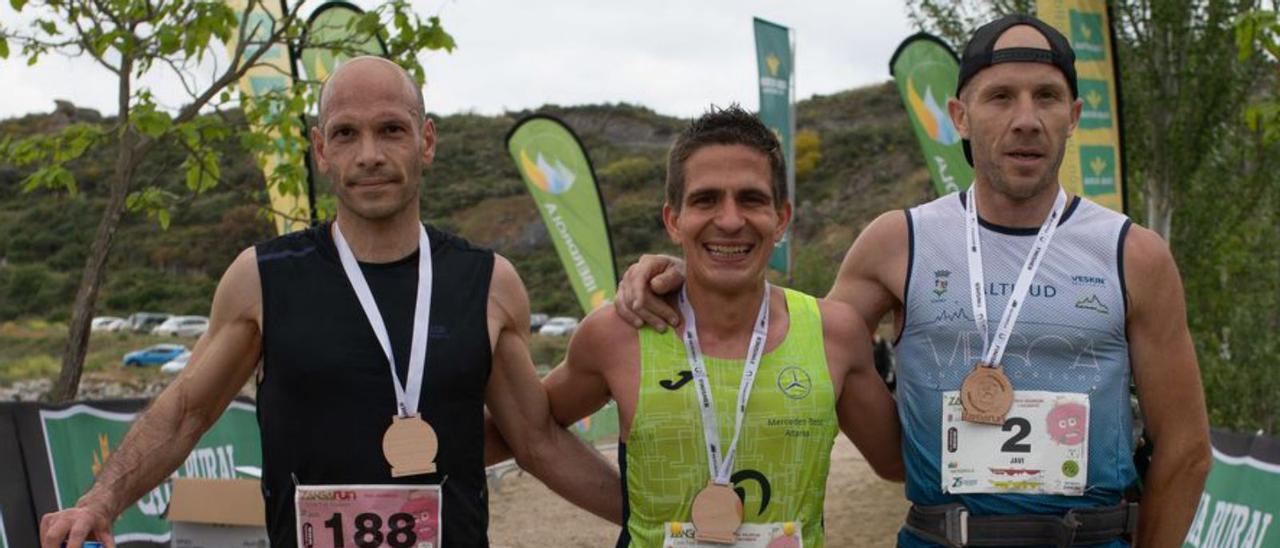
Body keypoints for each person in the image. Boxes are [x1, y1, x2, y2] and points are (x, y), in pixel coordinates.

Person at [615, 15, 1211, 547]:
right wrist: (683, 273)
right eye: (1000, 97)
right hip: (941, 535)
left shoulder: (1133, 254)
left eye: (1047, 97)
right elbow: (794, 345)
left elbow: (1184, 449)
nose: (1026, 119)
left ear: (1074, 116)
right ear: (960, 117)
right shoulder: (897, 242)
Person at [40, 56, 620, 548]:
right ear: (321, 149)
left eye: (391, 129)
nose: (368, 154)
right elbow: (187, 412)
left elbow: (536, 440)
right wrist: (101, 500)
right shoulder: (262, 279)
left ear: (427, 141)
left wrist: (657, 522)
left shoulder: (488, 283)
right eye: (346, 133)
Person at [539, 105, 902, 547]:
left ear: (782, 219)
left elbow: (897, 462)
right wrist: (628, 503)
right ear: (674, 220)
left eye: (751, 199)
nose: (730, 220)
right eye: (706, 199)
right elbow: (533, 429)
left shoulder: (833, 333)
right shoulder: (616, 333)